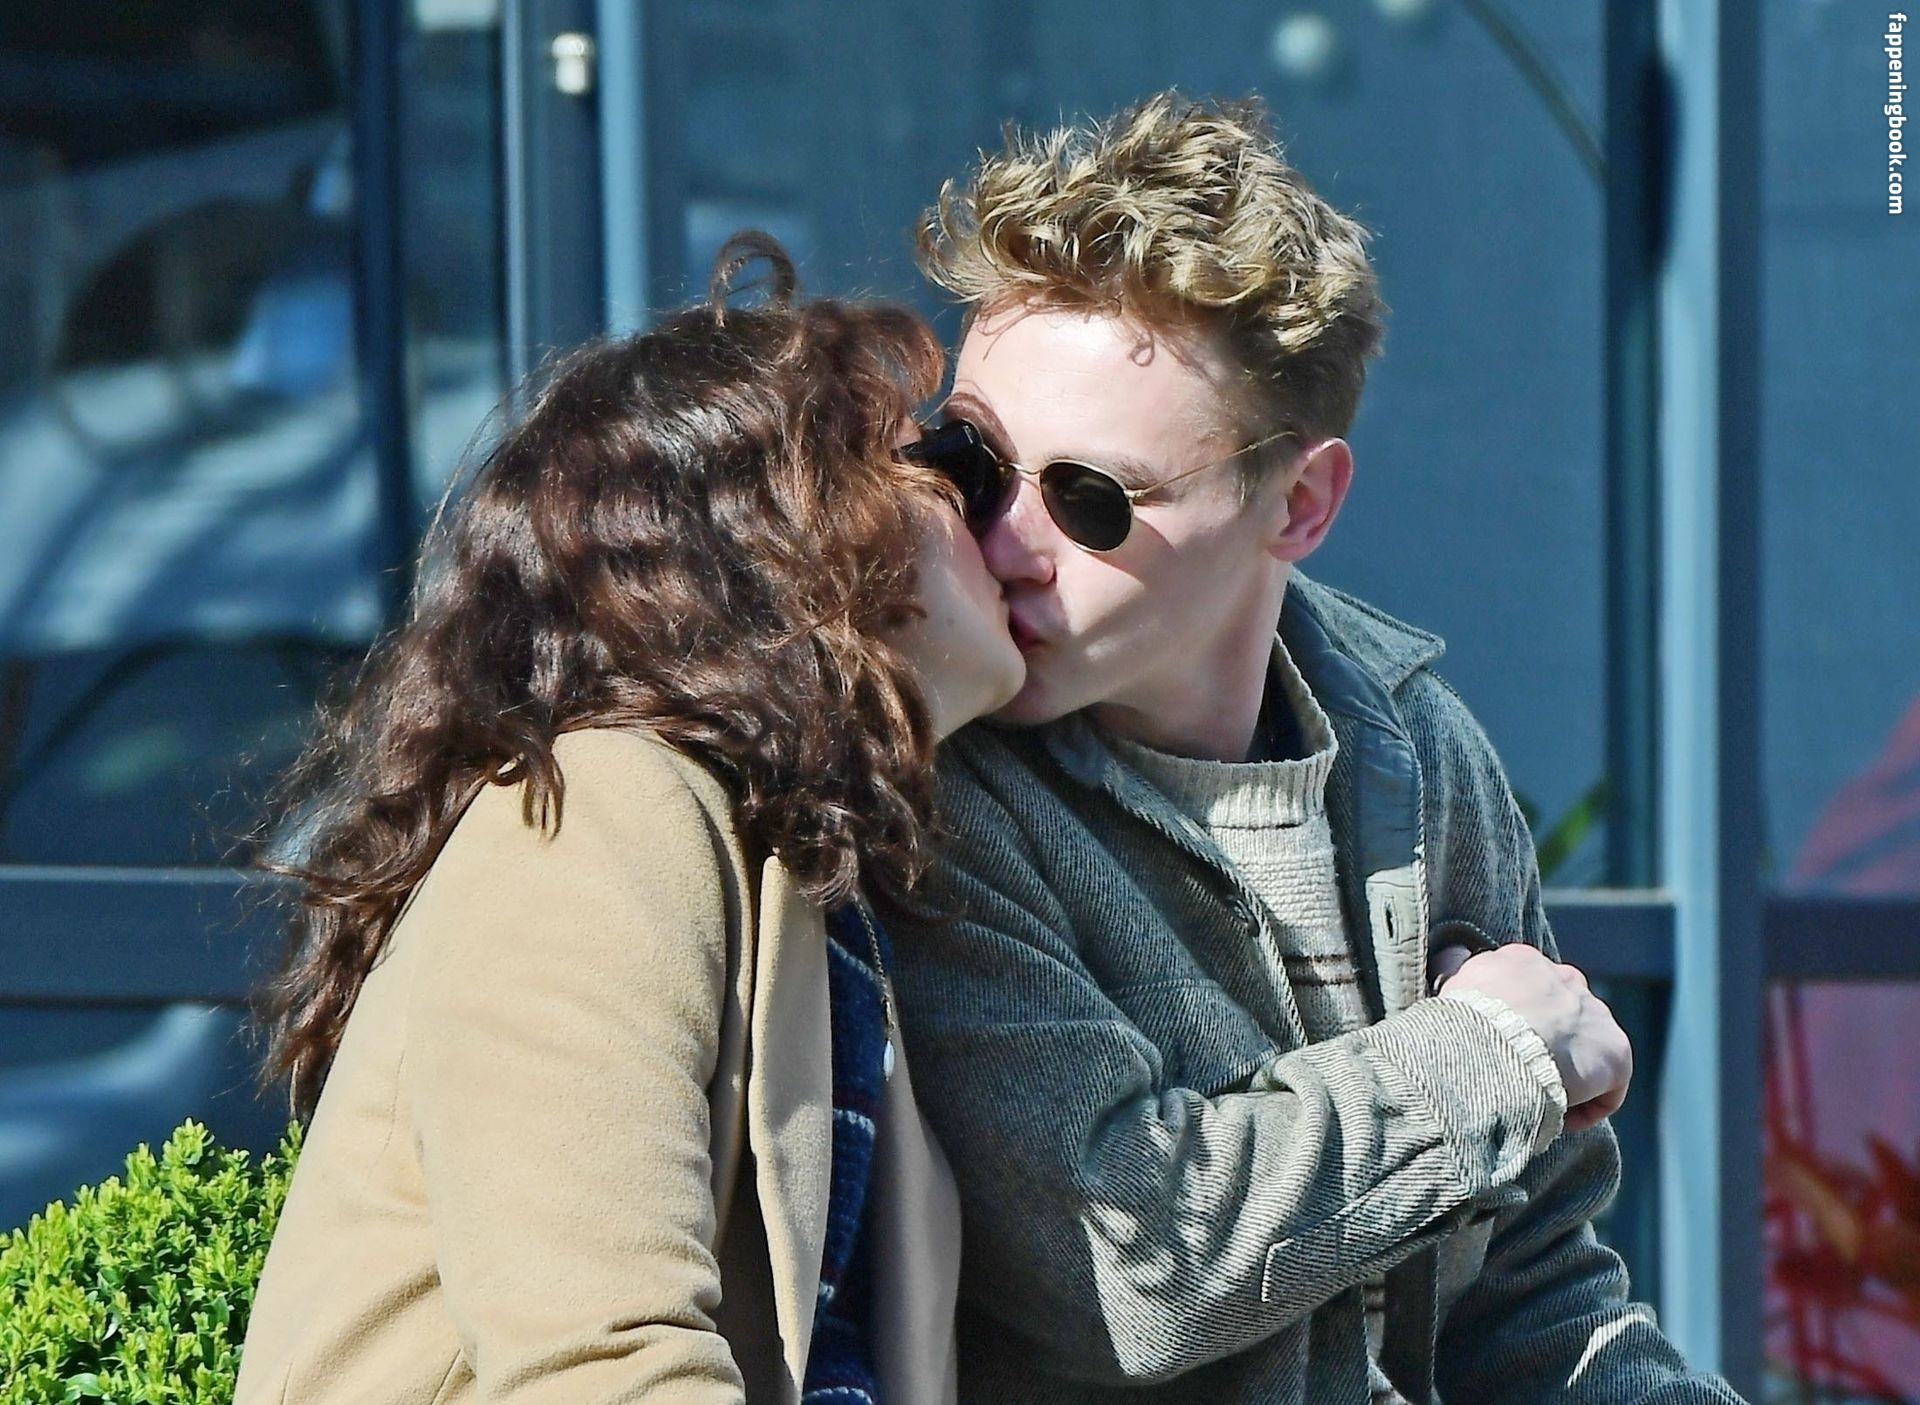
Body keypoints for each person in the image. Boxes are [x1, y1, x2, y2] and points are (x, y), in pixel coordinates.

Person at [884, 93, 1745, 1403]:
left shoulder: (1420, 756)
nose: (1005, 540)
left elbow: (1528, 1293)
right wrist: (1486, 1056)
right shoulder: (938, 785)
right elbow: (1132, 1266)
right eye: (974, 461)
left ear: (1298, 503)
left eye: (1091, 498)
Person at [233, 233, 1023, 1405]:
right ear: (792, 527)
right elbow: (600, 1367)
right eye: (949, 466)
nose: (1008, 524)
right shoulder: (595, 815)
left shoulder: (810, 879)